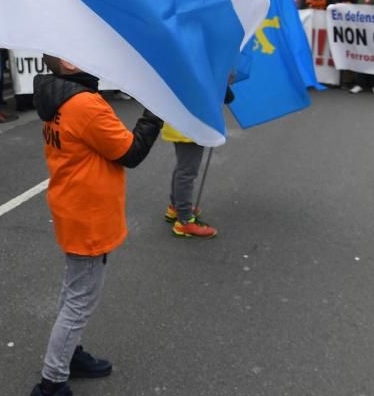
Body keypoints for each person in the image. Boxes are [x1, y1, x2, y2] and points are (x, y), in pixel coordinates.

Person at [30, 56, 163, 396]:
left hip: (73, 208)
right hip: (88, 215)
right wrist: (156, 110)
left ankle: (69, 355)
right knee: (79, 300)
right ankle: (52, 381)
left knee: (72, 291)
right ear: (68, 63)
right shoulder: (83, 103)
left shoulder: (59, 97)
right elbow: (131, 152)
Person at [161, 86, 233, 238]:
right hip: (191, 124)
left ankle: (177, 207)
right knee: (187, 171)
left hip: (181, 120)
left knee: (183, 168)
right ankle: (185, 221)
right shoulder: (202, 66)